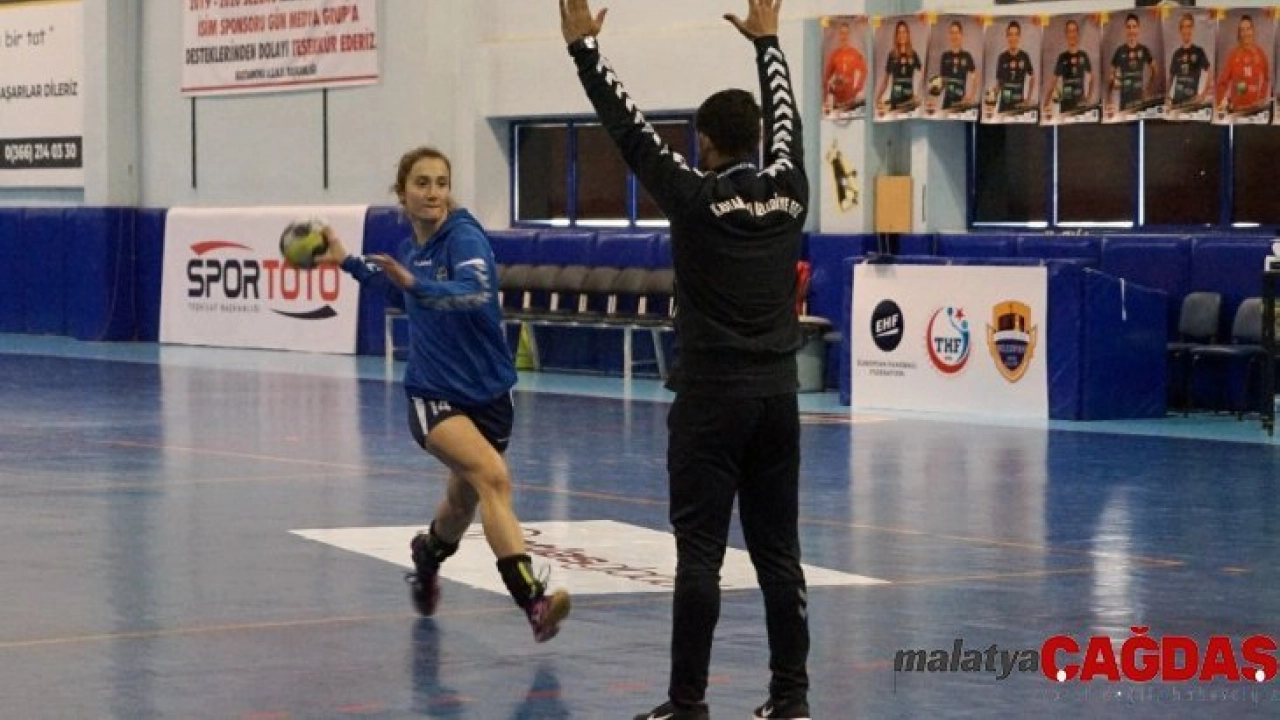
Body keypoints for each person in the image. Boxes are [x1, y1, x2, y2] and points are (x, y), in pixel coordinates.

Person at [558, 1, 811, 718]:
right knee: (779, 554)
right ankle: (791, 698)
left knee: (700, 555)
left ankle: (688, 703)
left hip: (710, 402)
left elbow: (629, 128)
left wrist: (585, 52)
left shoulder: (694, 197)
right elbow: (787, 115)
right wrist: (768, 43)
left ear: (704, 142)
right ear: (756, 139)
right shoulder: (791, 190)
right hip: (778, 400)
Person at [313, 146, 570, 642]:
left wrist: (417, 284)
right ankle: (534, 602)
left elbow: (474, 291)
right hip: (433, 393)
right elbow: (398, 289)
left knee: (461, 504)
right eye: (422, 183)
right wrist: (347, 261)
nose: (433, 193)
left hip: (489, 392)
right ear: (402, 193)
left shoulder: (464, 237)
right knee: (493, 478)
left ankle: (427, 555)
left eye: (441, 183)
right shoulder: (411, 251)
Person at [1215, 14, 1270, 114]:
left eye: (1248, 29)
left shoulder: (1260, 54)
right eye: (1242, 30)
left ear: (1253, 31)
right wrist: (1221, 103)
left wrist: (1262, 98)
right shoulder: (1233, 55)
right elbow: (1222, 83)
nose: (1245, 33)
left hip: (1255, 111)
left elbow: (1266, 79)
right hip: (1237, 111)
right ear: (1239, 33)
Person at [1108, 13, 1156, 113]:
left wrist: (1148, 88)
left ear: (1138, 28)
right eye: (1129, 27)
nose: (1131, 30)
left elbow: (1154, 69)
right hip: (1124, 104)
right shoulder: (1120, 50)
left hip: (1140, 102)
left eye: (1134, 27)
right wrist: (1110, 99)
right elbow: (1110, 77)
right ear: (1125, 29)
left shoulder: (1144, 50)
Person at [1046, 19, 1093, 115]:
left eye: (1074, 30)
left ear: (1077, 33)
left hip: (1081, 106)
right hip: (1066, 107)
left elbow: (1093, 78)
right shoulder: (1062, 57)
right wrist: (1046, 102)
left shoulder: (1083, 55)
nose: (1072, 34)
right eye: (1069, 31)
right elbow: (1053, 82)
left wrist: (1089, 97)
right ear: (1066, 34)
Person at [875, 20, 922, 115]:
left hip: (909, 103)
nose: (902, 35)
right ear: (896, 36)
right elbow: (885, 81)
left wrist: (919, 93)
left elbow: (924, 74)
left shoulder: (913, 54)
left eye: (904, 32)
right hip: (895, 102)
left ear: (908, 34)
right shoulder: (892, 55)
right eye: (899, 33)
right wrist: (877, 99)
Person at [1167, 13, 1211, 111]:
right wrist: (1167, 97)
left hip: (1191, 104)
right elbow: (1171, 78)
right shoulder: (1176, 54)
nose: (1186, 30)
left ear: (1193, 29)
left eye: (1189, 26)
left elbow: (1210, 74)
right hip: (1176, 104)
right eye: (1183, 27)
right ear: (1180, 30)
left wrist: (1203, 95)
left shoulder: (1199, 51)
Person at [822, 20, 867, 115]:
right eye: (842, 33)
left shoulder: (855, 53)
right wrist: (826, 98)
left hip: (851, 102)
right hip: (837, 102)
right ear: (839, 35)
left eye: (846, 33)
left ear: (849, 35)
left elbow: (864, 71)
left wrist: (858, 88)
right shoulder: (834, 55)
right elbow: (826, 78)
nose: (844, 36)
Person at [995, 20, 1035, 113]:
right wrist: (992, 99)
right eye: (1010, 34)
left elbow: (1033, 77)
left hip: (1019, 107)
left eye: (1016, 34)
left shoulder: (1024, 56)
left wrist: (1028, 98)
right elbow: (999, 84)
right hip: (1004, 107)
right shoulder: (1002, 57)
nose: (1013, 38)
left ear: (1019, 36)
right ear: (1007, 36)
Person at [936, 20, 977, 111]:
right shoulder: (945, 56)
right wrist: (935, 88)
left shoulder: (967, 56)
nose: (954, 36)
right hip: (947, 102)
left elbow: (975, 77)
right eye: (952, 33)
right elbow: (942, 81)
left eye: (957, 33)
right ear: (949, 35)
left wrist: (971, 96)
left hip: (961, 102)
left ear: (961, 35)